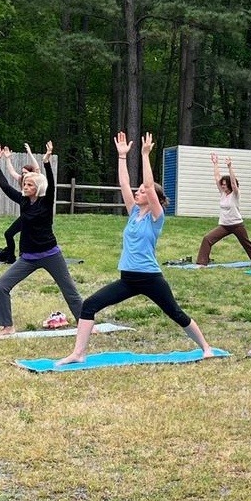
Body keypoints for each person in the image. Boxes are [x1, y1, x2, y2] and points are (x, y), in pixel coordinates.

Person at [55, 132, 215, 365]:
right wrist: (122, 157)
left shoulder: (156, 218)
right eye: (137, 190)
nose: (138, 192)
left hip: (150, 278)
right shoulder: (133, 213)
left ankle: (206, 347)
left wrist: (145, 155)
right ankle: (78, 353)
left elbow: (150, 186)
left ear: (155, 200)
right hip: (128, 278)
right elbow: (123, 184)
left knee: (176, 314)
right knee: (89, 305)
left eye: (142, 191)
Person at [0, 141, 83, 336]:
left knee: (69, 290)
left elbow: (52, 185)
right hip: (28, 257)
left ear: (37, 187)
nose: (25, 186)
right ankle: (7, 326)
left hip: (51, 254)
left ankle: (84, 324)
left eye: (29, 184)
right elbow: (5, 186)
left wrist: (47, 161)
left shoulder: (46, 202)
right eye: (25, 184)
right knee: (2, 285)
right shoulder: (24, 201)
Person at [196, 153, 251, 267]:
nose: (222, 186)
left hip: (237, 224)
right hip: (224, 225)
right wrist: (215, 163)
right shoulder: (222, 193)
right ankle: (202, 263)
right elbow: (217, 178)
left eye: (225, 185)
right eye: (222, 185)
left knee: (247, 244)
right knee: (207, 239)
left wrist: (230, 167)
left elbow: (233, 182)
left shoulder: (235, 194)